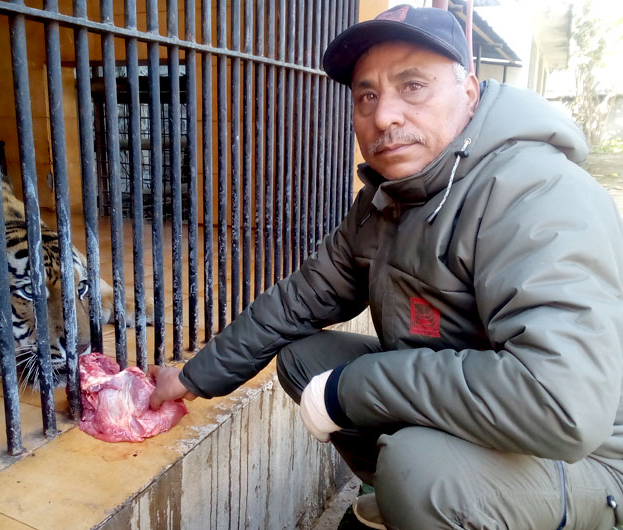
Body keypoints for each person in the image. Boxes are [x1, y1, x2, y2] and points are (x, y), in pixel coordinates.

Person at [149, 4, 623, 529]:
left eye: (412, 86)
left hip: (586, 461)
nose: (384, 116)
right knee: (307, 361)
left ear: (468, 91)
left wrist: (352, 388)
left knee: (418, 471)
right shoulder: (389, 201)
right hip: (484, 419)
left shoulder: (538, 194)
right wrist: (192, 377)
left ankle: (439, 497)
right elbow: (300, 299)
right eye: (367, 96)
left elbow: (560, 404)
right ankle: (418, 503)